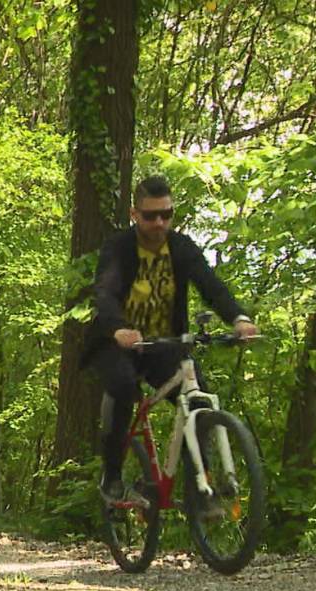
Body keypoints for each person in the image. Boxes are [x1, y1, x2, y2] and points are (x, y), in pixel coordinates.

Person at [83, 175, 259, 507]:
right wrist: (119, 328)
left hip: (162, 344)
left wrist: (238, 318)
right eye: (150, 216)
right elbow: (104, 293)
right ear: (135, 215)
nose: (159, 222)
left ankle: (201, 488)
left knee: (199, 400)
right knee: (121, 387)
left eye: (166, 214)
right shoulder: (119, 248)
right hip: (117, 343)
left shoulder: (181, 247)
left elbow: (211, 286)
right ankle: (113, 477)